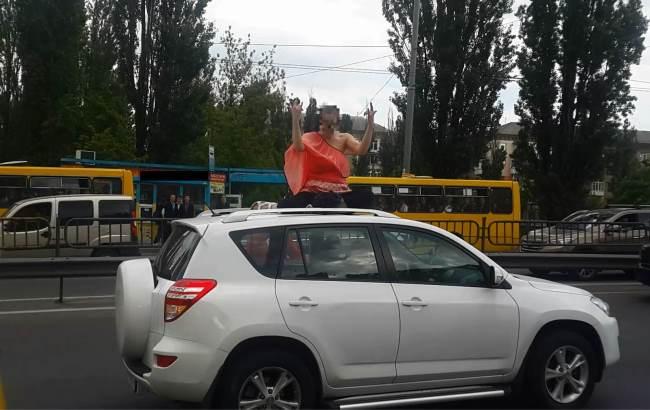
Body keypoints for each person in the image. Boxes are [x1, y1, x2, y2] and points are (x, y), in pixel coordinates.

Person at [279, 99, 375, 209]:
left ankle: (325, 205)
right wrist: (295, 120)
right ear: (320, 121)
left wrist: (370, 126)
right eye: (325, 120)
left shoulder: (344, 138)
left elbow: (361, 150)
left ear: (337, 121)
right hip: (312, 190)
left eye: (332, 119)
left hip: (339, 190)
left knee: (366, 197)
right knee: (287, 205)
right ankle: (314, 206)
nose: (327, 126)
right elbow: (298, 146)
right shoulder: (311, 137)